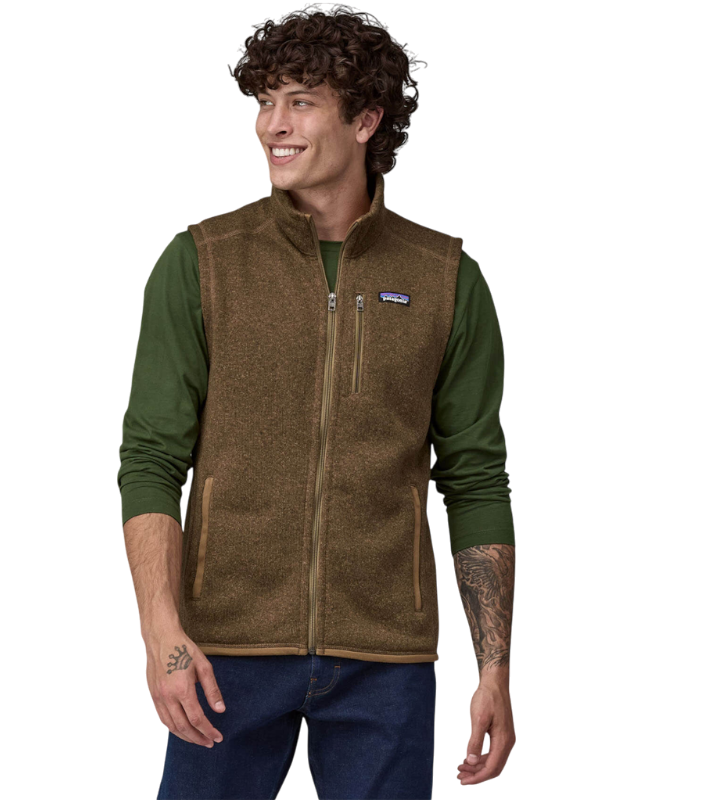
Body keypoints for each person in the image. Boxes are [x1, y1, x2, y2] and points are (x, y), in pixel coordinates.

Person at [118, 5, 515, 798]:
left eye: (299, 102)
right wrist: (162, 632)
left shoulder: (447, 279)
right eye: (265, 101)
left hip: (386, 659)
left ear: (366, 120)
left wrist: (494, 669)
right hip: (222, 651)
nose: (272, 124)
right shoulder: (200, 262)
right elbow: (152, 456)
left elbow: (476, 478)